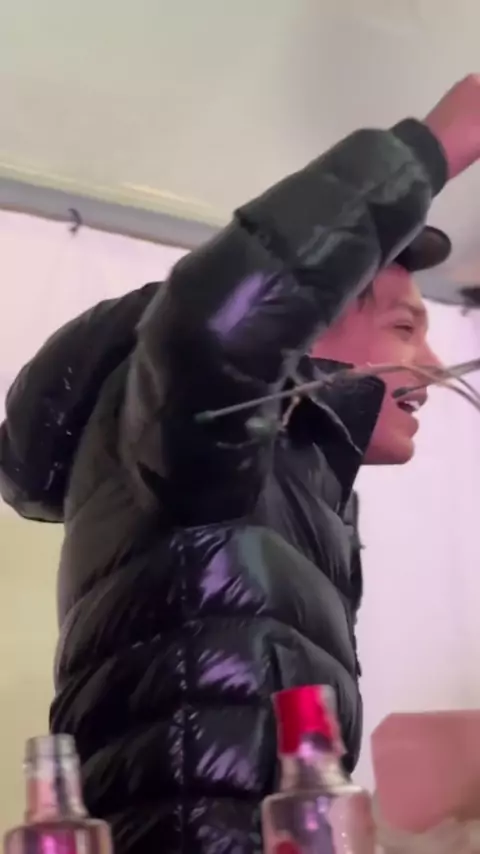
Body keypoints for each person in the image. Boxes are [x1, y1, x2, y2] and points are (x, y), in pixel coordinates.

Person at [1, 74, 480, 854]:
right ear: (302, 324)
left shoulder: (297, 476)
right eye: (404, 328)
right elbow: (212, 321)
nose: (430, 363)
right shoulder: (209, 450)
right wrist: (437, 146)